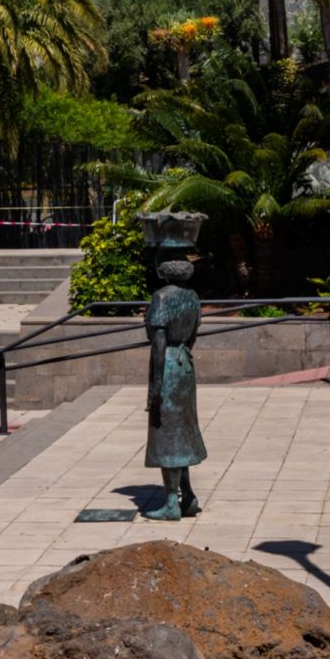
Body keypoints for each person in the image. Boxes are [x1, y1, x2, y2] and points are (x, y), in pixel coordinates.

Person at [142, 212, 207, 520]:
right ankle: (189, 496)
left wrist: (154, 388)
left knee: (166, 432)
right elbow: (193, 335)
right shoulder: (193, 297)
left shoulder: (161, 298)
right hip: (185, 364)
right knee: (183, 430)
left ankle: (171, 502)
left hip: (167, 364)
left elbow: (157, 345)